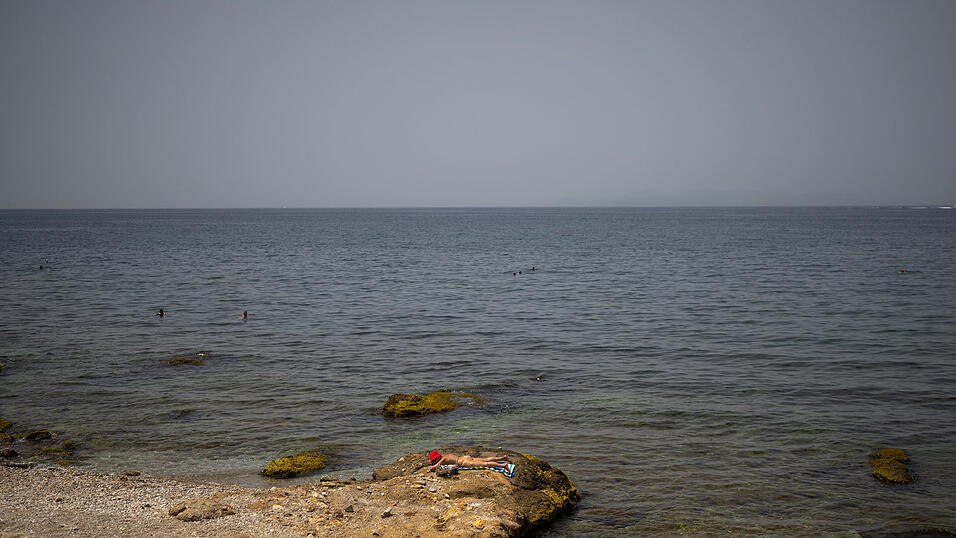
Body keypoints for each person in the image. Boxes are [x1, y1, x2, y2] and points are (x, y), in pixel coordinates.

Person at [428, 450, 511, 470]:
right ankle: (503, 458)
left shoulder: (443, 459)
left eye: (434, 460)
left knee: (485, 464)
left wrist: (431, 465)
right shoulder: (446, 455)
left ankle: (503, 465)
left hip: (464, 462)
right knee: (485, 459)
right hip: (465, 457)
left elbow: (433, 468)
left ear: (437, 458)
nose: (435, 461)